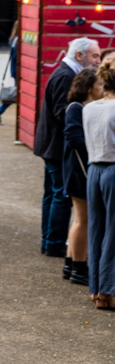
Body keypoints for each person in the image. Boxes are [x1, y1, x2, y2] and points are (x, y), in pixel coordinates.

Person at [35, 37, 100, 258]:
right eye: (95, 56)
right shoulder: (66, 76)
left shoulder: (64, 72)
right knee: (60, 196)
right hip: (55, 146)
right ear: (79, 55)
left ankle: (49, 241)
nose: (98, 61)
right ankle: (53, 243)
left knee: (52, 195)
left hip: (50, 145)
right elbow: (63, 113)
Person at [63, 67, 100, 287]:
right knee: (82, 221)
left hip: (78, 170)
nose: (103, 88)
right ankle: (78, 266)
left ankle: (70, 263)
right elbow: (73, 138)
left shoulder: (82, 107)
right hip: (78, 172)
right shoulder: (75, 108)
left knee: (79, 220)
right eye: (100, 85)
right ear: (88, 88)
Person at [83, 61, 115, 310]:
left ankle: (97, 290)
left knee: (96, 230)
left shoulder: (90, 108)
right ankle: (109, 289)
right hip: (113, 170)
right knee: (112, 233)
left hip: (94, 170)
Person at [0, 16, 21, 124]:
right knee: (18, 95)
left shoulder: (13, 40)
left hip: (15, 71)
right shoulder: (18, 41)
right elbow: (16, 58)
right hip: (18, 71)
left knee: (16, 95)